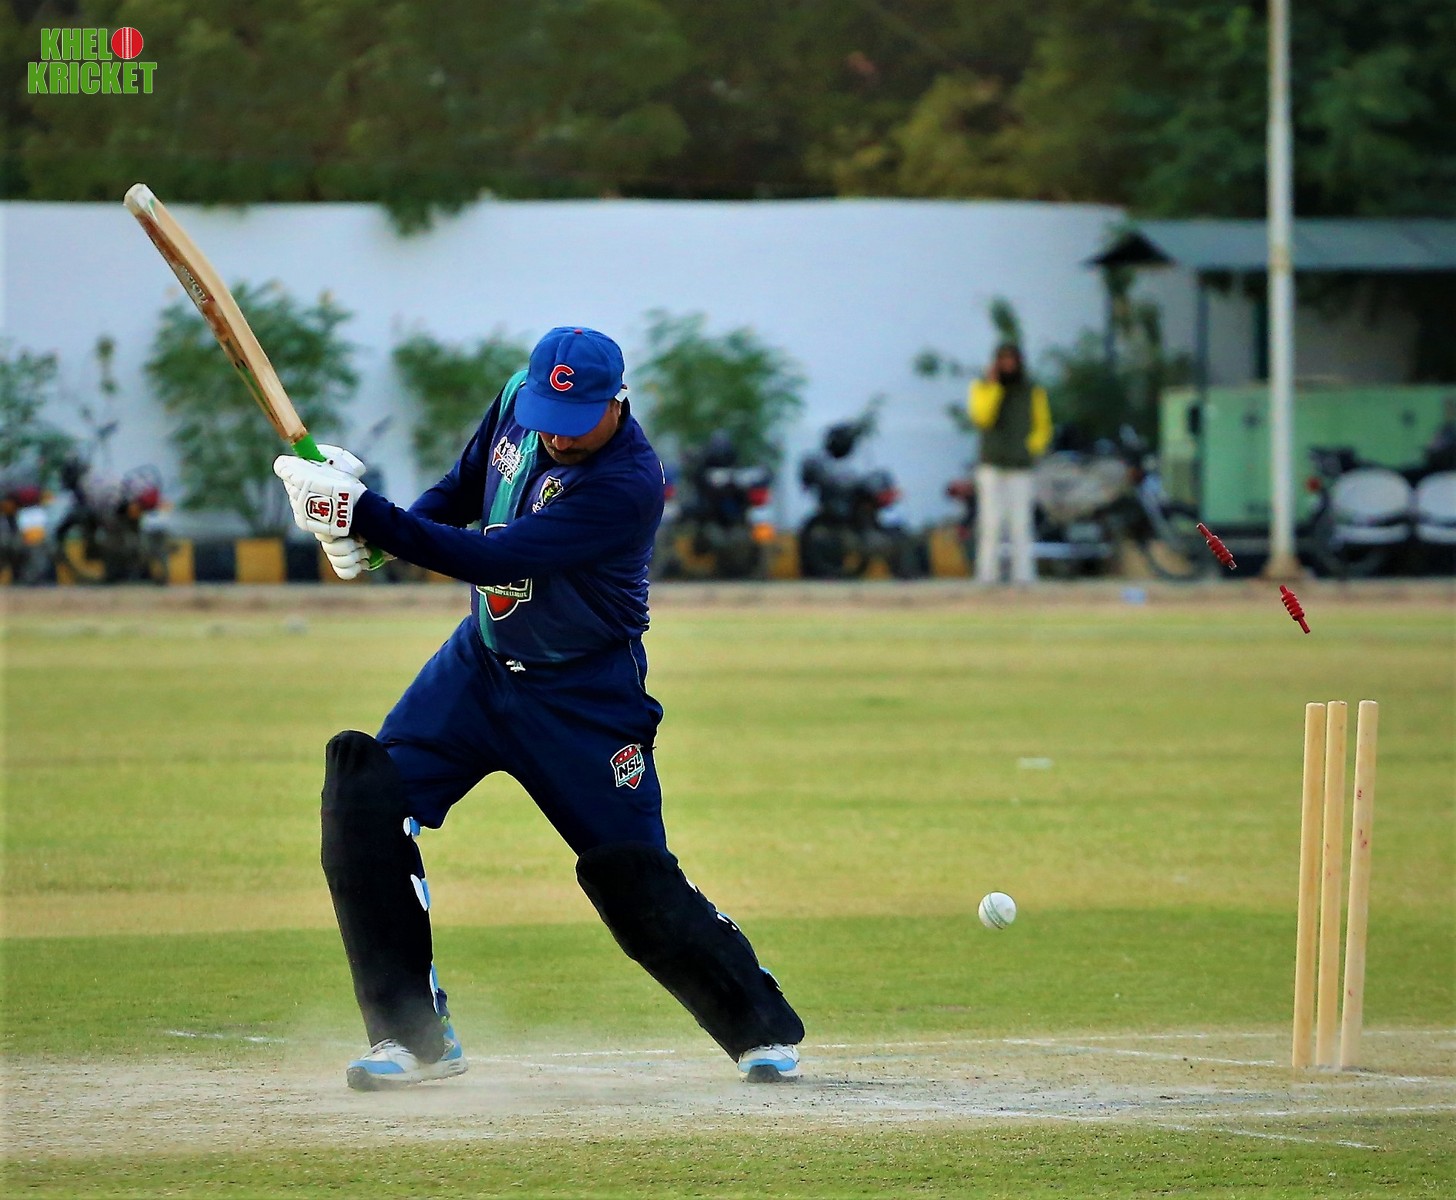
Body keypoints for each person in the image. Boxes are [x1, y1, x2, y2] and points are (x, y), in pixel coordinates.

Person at [273, 326, 804, 1091]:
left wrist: (367, 514)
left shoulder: (628, 484)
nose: (558, 436)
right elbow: (462, 492)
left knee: (633, 878)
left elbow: (495, 556)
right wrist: (373, 530)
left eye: (578, 420)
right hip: (478, 669)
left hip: (584, 696)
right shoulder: (517, 404)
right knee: (363, 793)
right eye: (548, 419)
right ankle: (413, 1037)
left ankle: (758, 1026)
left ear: (617, 402)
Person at [967, 342, 1053, 585]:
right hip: (992, 463)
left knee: (1020, 523)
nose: (1007, 364)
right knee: (991, 522)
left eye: (1011, 359)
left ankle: (1023, 575)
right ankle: (987, 575)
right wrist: (994, 388)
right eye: (1002, 359)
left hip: (1020, 465)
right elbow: (981, 417)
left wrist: (1032, 447)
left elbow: (1043, 425)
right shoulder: (981, 387)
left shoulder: (1031, 391)